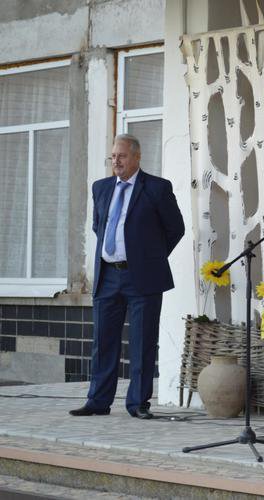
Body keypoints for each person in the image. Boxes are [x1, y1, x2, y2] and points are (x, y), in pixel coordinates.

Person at [70, 134, 185, 419]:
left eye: (121, 156)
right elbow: (100, 225)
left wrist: (149, 257)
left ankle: (138, 403)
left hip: (142, 277)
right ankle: (97, 401)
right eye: (113, 156)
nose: (116, 161)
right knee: (103, 341)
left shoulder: (157, 188)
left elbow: (175, 229)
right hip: (108, 275)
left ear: (136, 157)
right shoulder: (101, 188)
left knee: (142, 341)